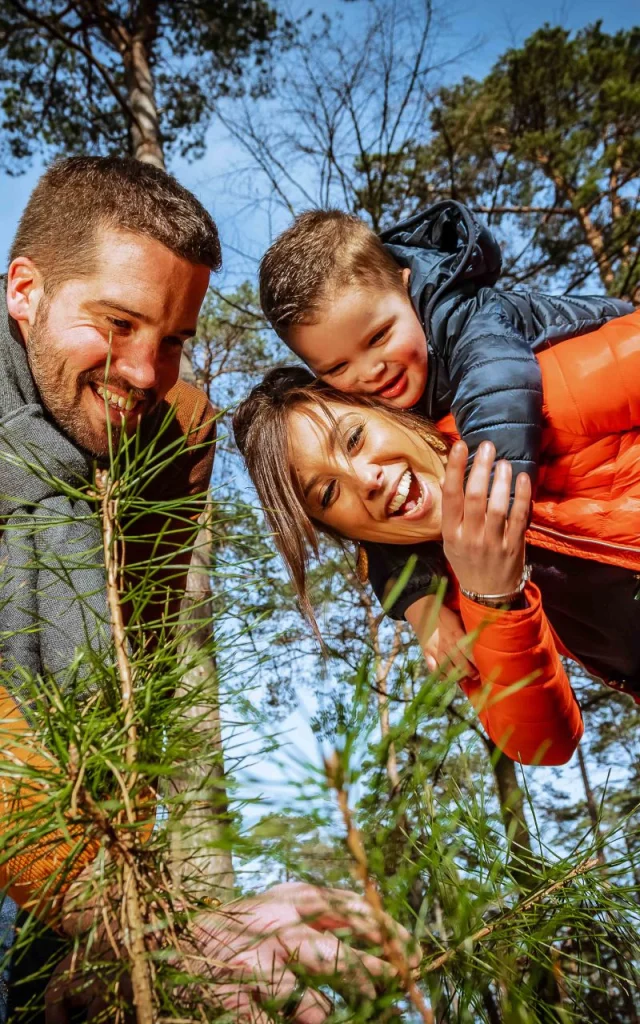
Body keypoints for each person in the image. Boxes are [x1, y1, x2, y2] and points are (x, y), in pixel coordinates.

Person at [0, 157, 411, 1023]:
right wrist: (163, 924)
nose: (146, 372)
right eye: (117, 323)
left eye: (175, 337)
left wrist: (143, 931)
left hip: (68, 846)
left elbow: (128, 678)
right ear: (25, 290)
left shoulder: (173, 427)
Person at [233, 309, 640, 767]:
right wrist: (494, 600)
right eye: (328, 493)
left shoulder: (522, 398)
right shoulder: (447, 604)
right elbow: (543, 745)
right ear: (342, 532)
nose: (364, 479)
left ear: (384, 409)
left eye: (352, 439)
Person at [258, 204, 632, 677]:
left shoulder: (464, 314)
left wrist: (486, 501)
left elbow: (496, 389)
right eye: (336, 368)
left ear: (406, 284)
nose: (370, 371)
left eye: (379, 336)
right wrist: (420, 607)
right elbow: (382, 537)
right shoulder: (374, 401)